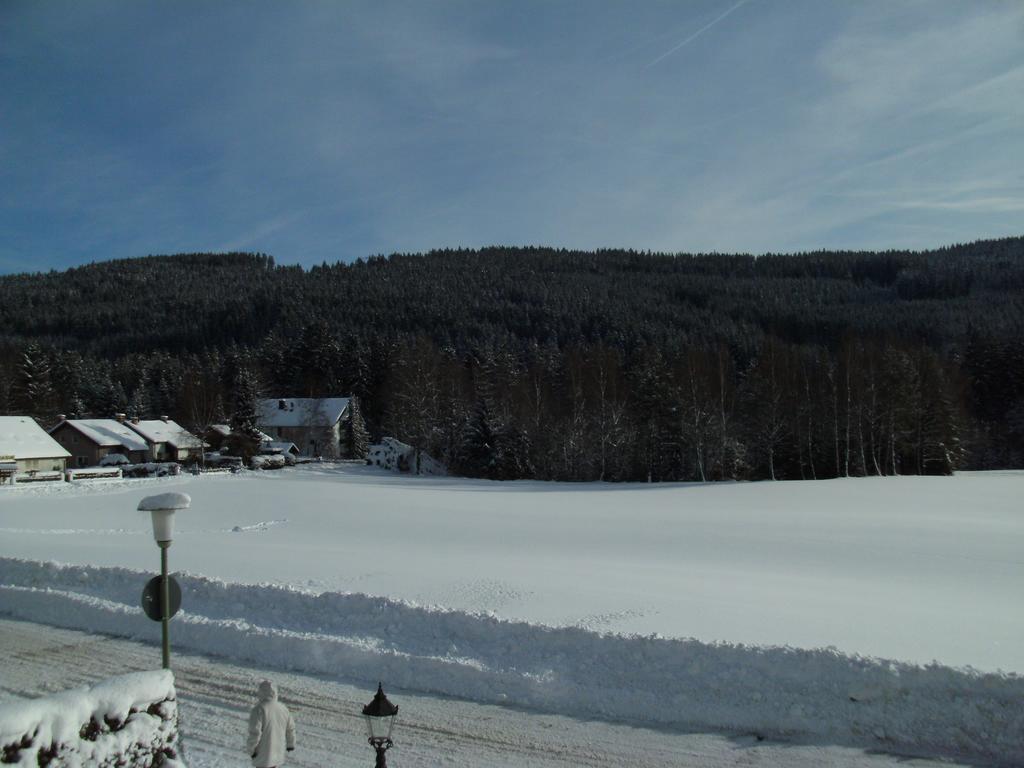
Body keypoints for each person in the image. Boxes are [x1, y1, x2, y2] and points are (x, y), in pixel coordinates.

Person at [247, 680, 296, 768]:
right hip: (277, 754)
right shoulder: (283, 708)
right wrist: (290, 743)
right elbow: (290, 729)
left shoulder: (258, 709)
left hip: (263, 756)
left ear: (261, 692)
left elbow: (255, 733)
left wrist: (251, 750)